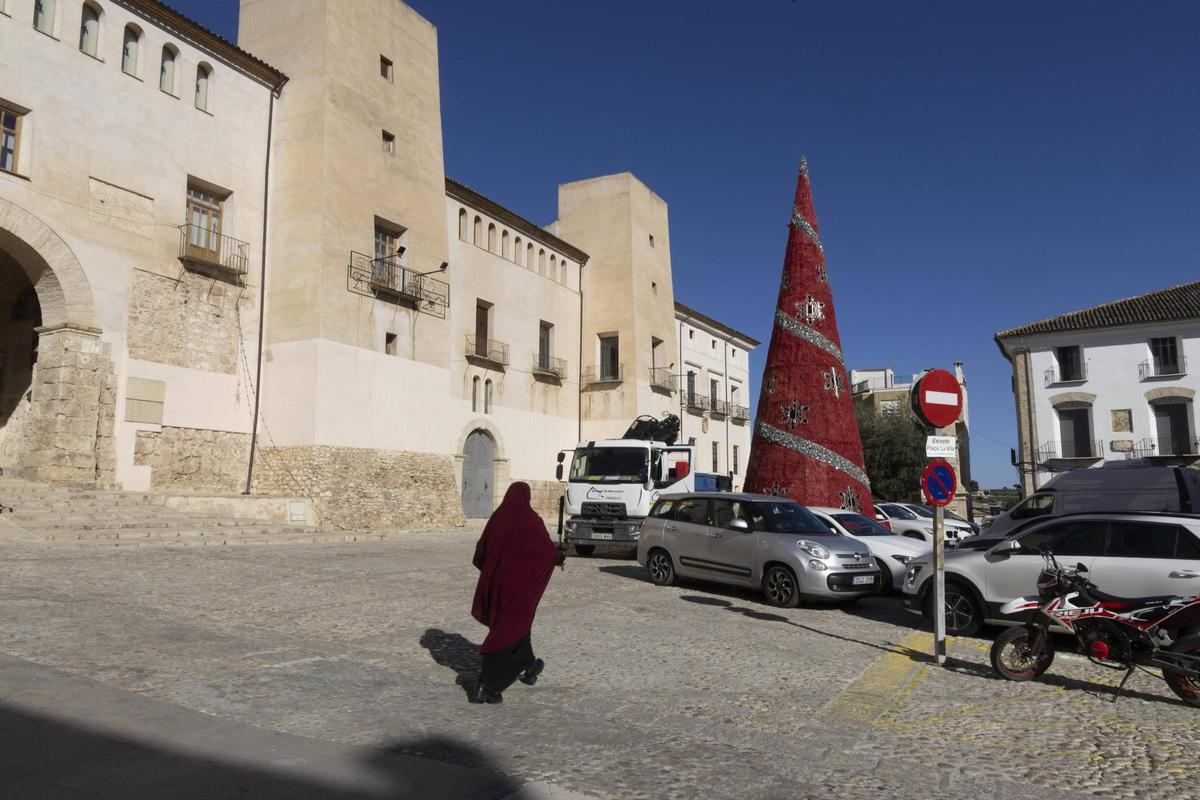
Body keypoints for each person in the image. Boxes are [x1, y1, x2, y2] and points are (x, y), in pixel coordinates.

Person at [469, 482, 564, 704]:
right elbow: (546, 552)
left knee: (518, 628)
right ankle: (487, 684)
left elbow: (481, 551)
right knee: (505, 634)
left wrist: (493, 571)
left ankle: (530, 666)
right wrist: (558, 556)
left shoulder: (498, 518)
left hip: (497, 587)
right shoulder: (531, 521)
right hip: (520, 590)